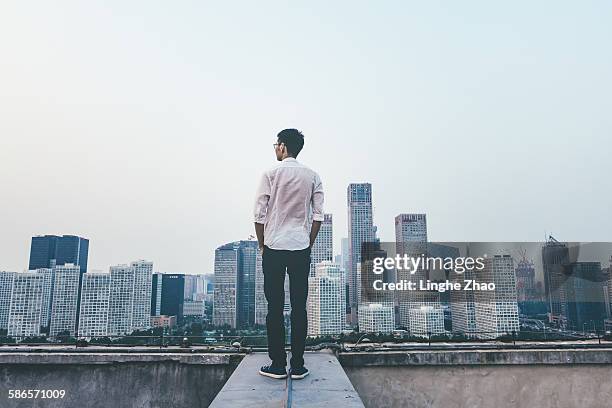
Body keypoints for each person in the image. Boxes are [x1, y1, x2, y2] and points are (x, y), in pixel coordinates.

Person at [253, 128, 324, 380]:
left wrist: (262, 245)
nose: (275, 148)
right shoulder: (313, 176)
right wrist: (308, 242)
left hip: (273, 247)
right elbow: (317, 216)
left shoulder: (270, 174)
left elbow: (259, 214)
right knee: (299, 308)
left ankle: (277, 364)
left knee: (274, 307)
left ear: (283, 147)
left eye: (276, 144)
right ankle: (297, 366)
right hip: (300, 247)